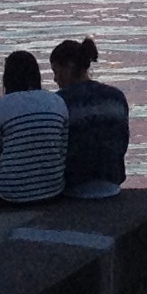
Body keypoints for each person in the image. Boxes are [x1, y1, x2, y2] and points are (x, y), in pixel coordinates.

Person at [0, 49, 71, 206]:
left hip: (10, 193)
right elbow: (62, 150)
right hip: (53, 188)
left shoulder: (0, 106)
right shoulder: (57, 102)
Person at [49, 35, 129, 199]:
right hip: (112, 183)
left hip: (74, 187)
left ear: (69, 67)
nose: (55, 79)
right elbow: (122, 142)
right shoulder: (116, 97)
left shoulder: (59, 102)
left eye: (56, 71)